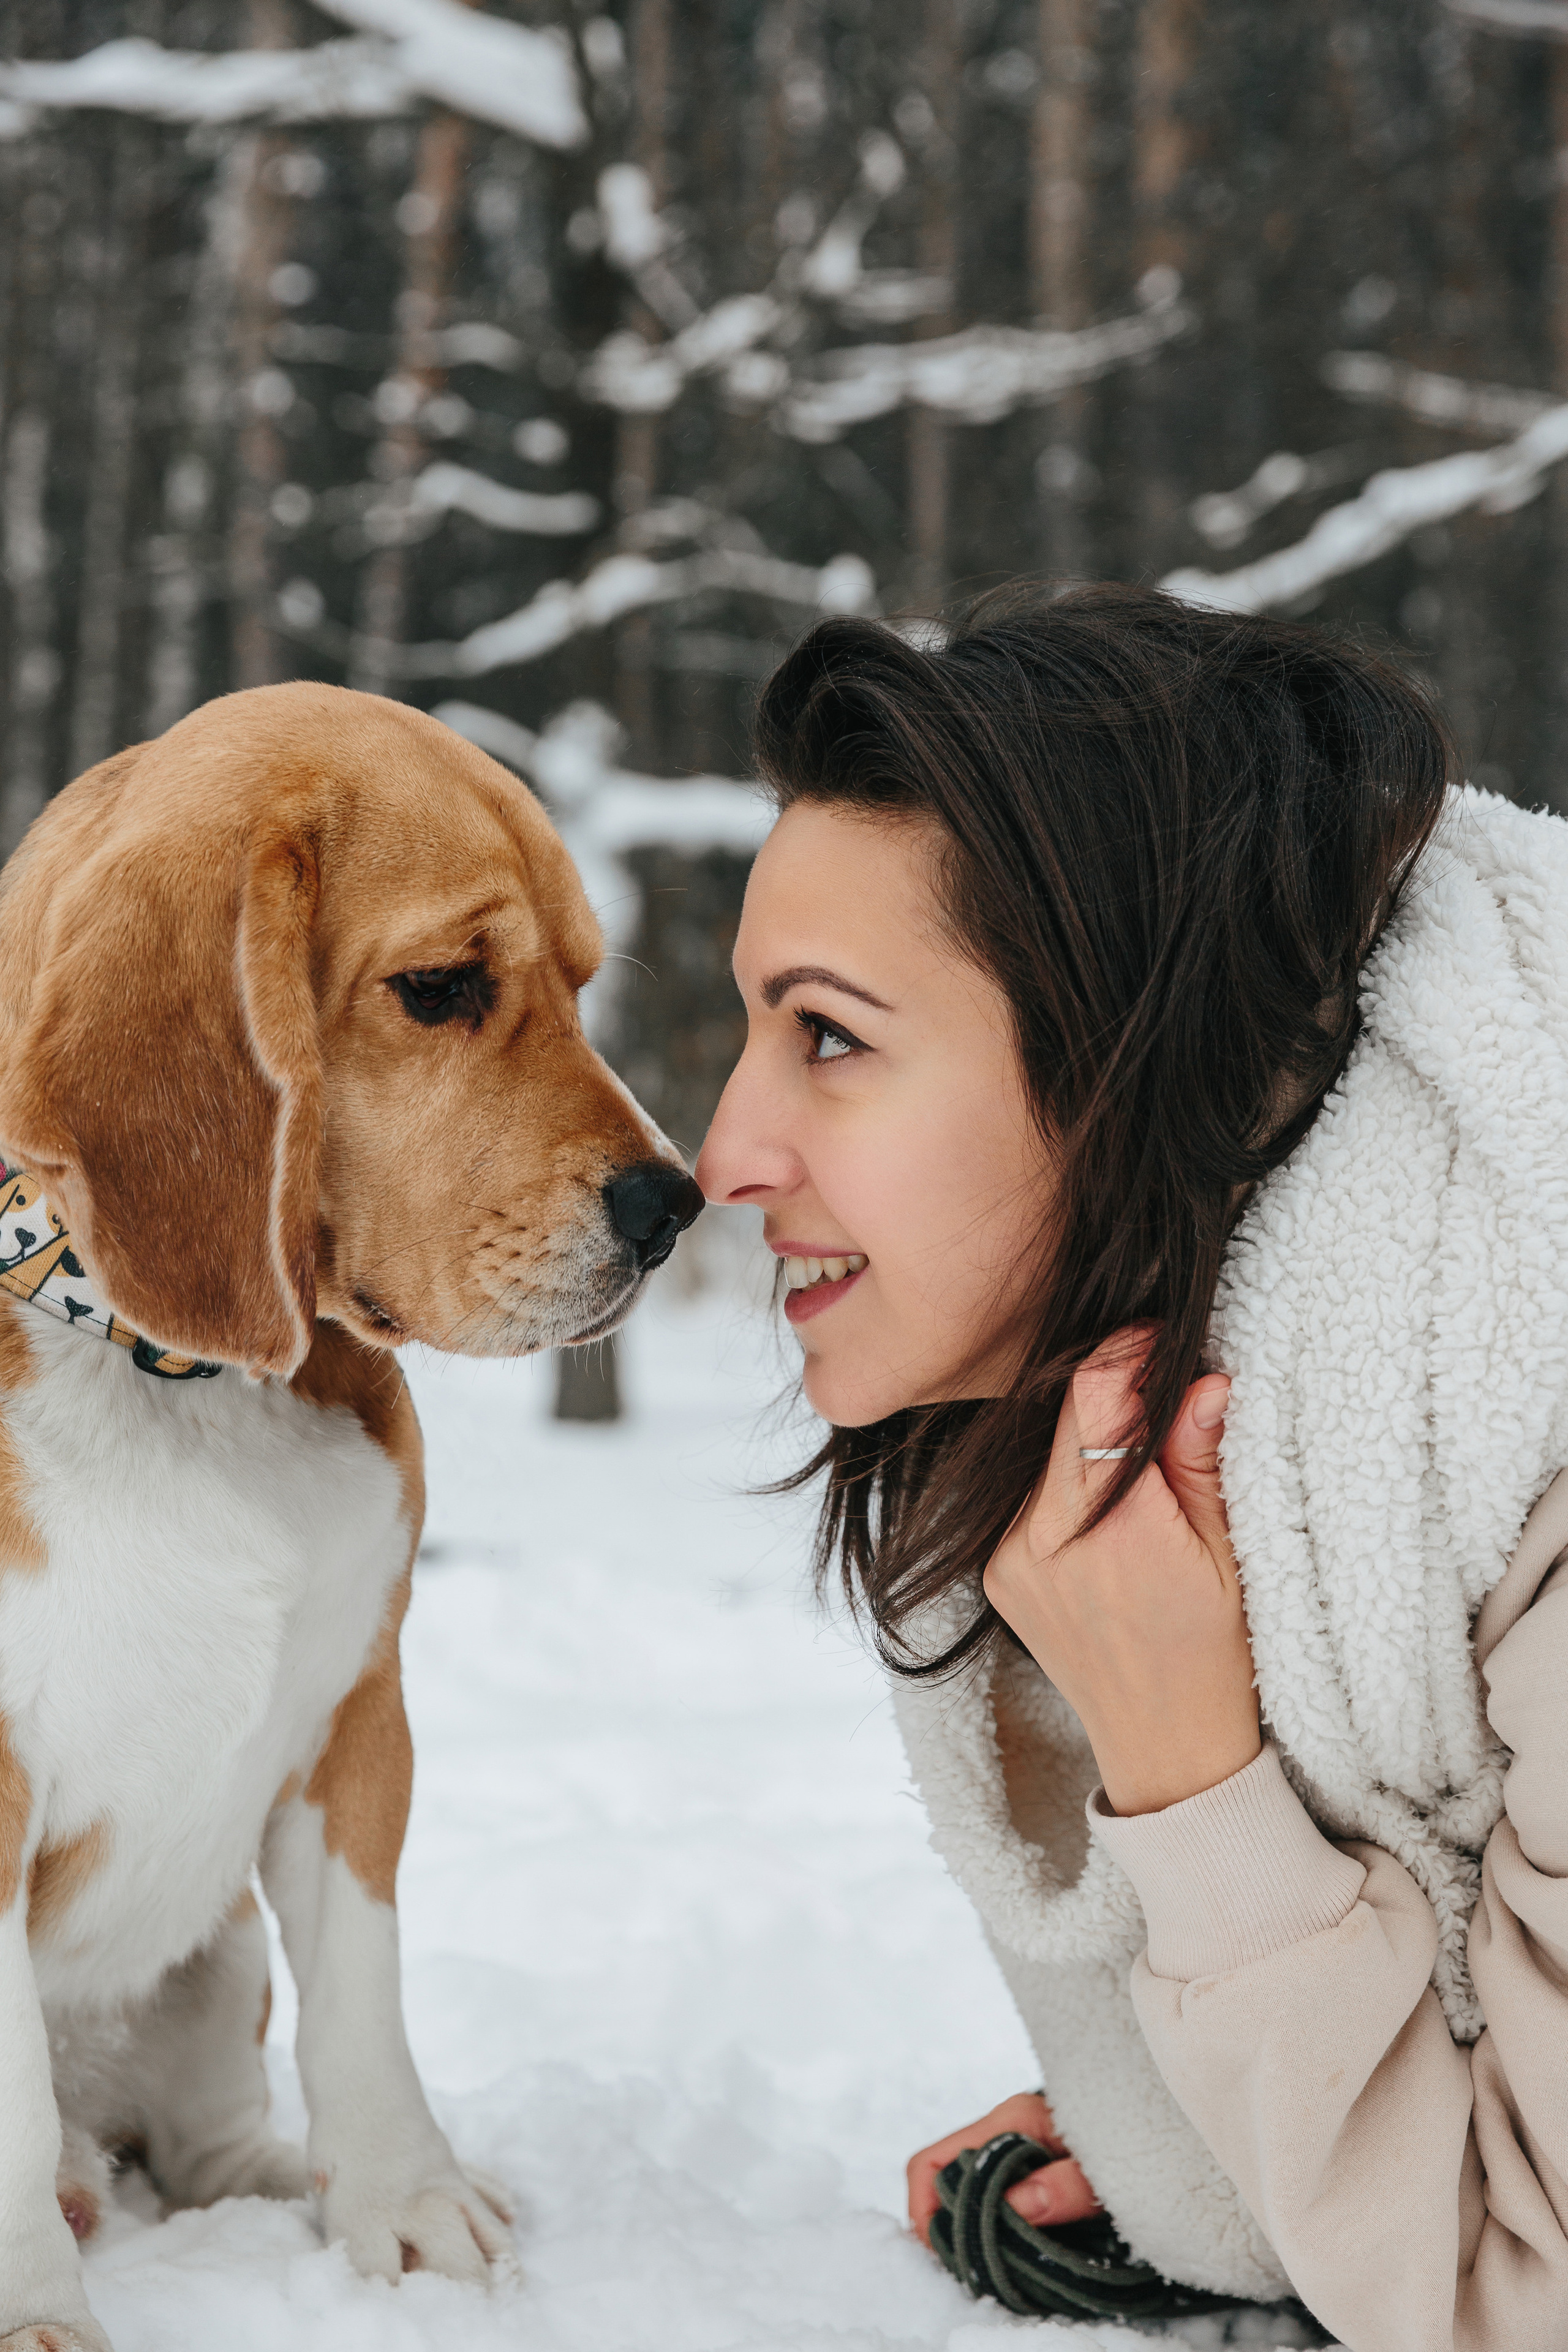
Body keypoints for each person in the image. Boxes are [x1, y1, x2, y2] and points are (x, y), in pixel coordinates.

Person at [693, 583, 1568, 2351]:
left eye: (831, 1037)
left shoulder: (1524, 1476)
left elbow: (1515, 2303)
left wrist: (1197, 1783)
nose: (725, 1150)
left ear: (1131, 1064)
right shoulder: (1222, 1441)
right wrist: (1212, 2139)